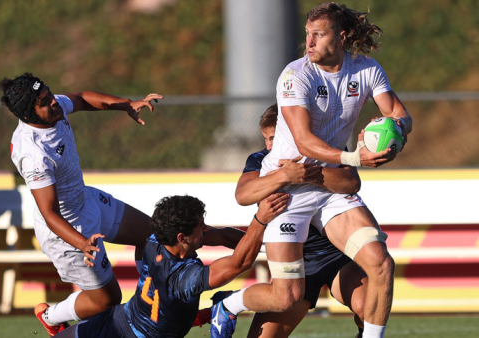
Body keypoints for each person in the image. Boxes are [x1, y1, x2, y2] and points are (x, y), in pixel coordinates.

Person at [215, 3, 413, 338]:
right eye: (307, 34)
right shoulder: (296, 76)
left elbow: (397, 112)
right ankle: (230, 304)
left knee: (381, 263)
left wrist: (395, 135)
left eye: (318, 35)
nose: (309, 42)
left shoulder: (366, 70)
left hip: (330, 187)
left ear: (341, 36)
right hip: (289, 191)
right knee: (285, 295)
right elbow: (304, 142)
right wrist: (355, 158)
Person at [0, 73, 246, 336]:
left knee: (154, 235)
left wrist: (126, 104)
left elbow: (81, 99)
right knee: (107, 300)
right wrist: (82, 243)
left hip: (88, 200)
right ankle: (50, 316)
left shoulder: (50, 107)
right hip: (68, 229)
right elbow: (49, 213)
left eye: (49, 94)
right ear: (28, 116)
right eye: (45, 102)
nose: (54, 102)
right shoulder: (33, 153)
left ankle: (155, 304)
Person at [52, 193, 288, 338]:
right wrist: (260, 220)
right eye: (200, 226)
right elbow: (241, 262)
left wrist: (274, 245)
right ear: (182, 238)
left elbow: (224, 237)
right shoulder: (183, 278)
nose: (205, 228)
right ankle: (225, 307)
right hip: (127, 327)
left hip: (120, 318)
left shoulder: (155, 238)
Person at [236, 105, 368, 338]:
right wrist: (285, 176)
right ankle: (229, 304)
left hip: (334, 255)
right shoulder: (260, 160)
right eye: (266, 139)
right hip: (294, 259)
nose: (268, 146)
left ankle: (363, 333)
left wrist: (308, 173)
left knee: (370, 307)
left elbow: (351, 182)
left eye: (274, 138)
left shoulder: (328, 149)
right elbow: (243, 195)